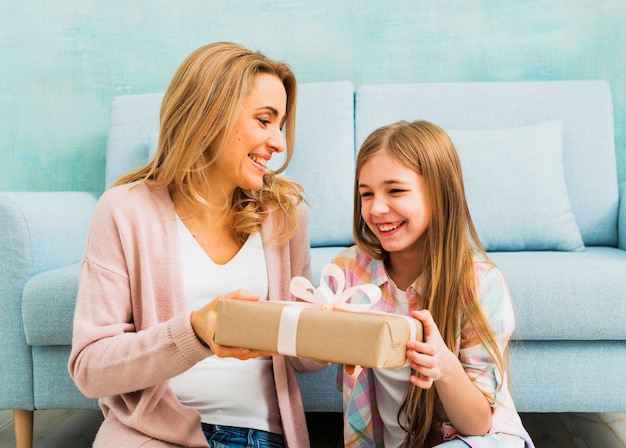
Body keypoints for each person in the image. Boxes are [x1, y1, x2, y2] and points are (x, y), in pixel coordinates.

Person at [68, 42, 326, 448]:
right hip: (151, 433)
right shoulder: (124, 211)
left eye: (281, 125)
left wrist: (330, 328)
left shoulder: (284, 214)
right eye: (264, 120)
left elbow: (301, 359)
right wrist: (194, 332)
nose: (278, 142)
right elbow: (90, 369)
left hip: (260, 435)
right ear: (210, 113)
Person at [333, 120, 535, 447]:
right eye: (366, 194)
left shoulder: (480, 283)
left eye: (395, 190)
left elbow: (478, 424)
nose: (377, 208)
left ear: (439, 193)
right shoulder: (348, 272)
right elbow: (308, 355)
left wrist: (443, 364)